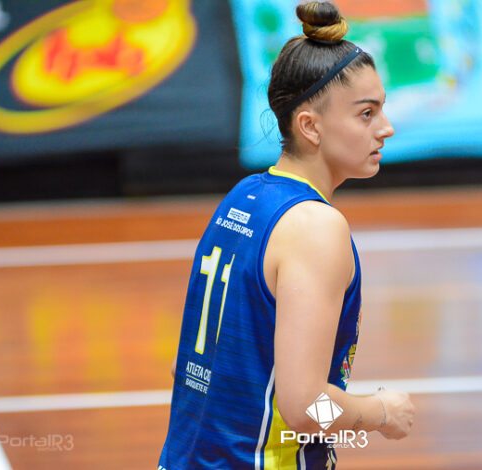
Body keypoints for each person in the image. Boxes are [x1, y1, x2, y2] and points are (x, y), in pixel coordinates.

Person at [159, 1, 415, 468]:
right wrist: (378, 413)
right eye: (366, 114)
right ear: (310, 126)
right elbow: (305, 409)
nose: (386, 128)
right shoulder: (316, 227)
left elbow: (185, 367)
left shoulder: (242, 197)